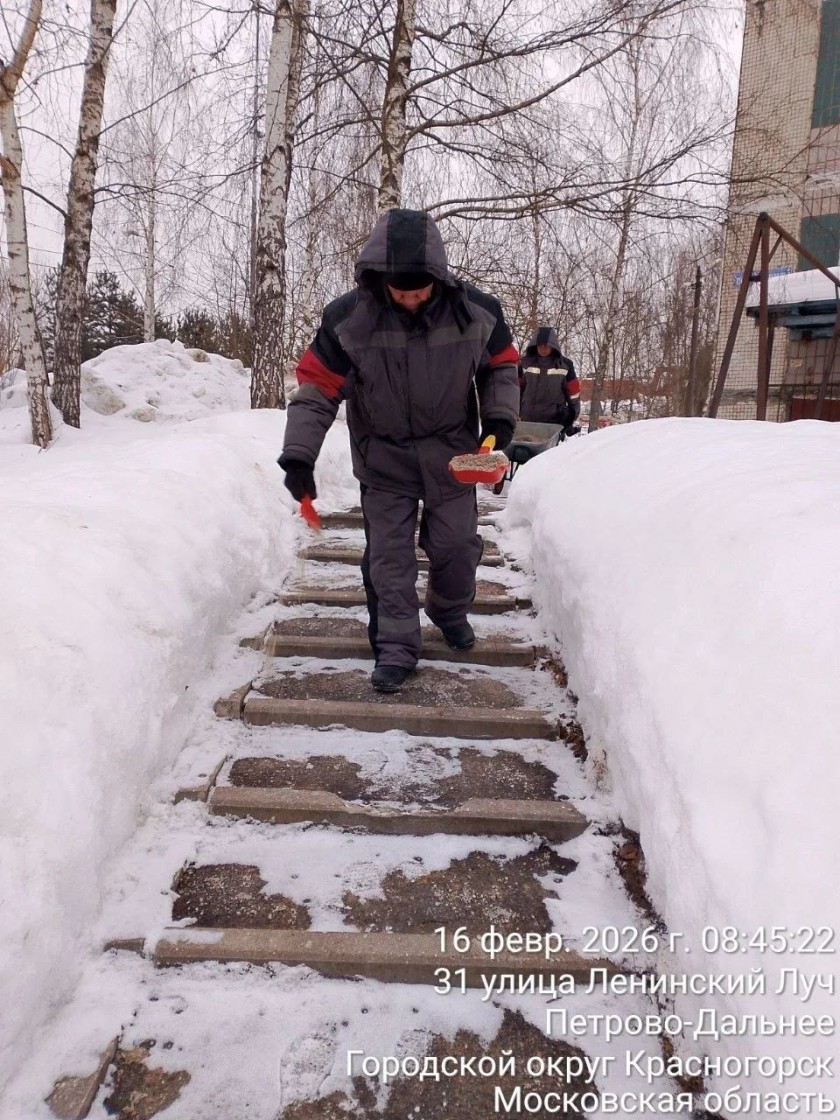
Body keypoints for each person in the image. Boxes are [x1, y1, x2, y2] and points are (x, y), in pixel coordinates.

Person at [278, 208, 520, 693]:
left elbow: (501, 366)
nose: (410, 299)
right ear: (379, 279)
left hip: (455, 456)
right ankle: (395, 647)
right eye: (399, 289)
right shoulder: (348, 319)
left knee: (456, 547)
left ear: (436, 277)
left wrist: (498, 417)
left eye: (419, 289)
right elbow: (318, 386)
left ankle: (449, 612)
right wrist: (299, 454)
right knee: (389, 558)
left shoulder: (477, 311)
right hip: (383, 457)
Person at [518, 325, 580, 433]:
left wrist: (569, 422)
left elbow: (574, 396)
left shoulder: (565, 365)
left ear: (553, 346)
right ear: (535, 345)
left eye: (546, 345)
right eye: (540, 345)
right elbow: (515, 390)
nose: (543, 349)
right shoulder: (524, 364)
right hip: (526, 421)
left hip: (553, 424)